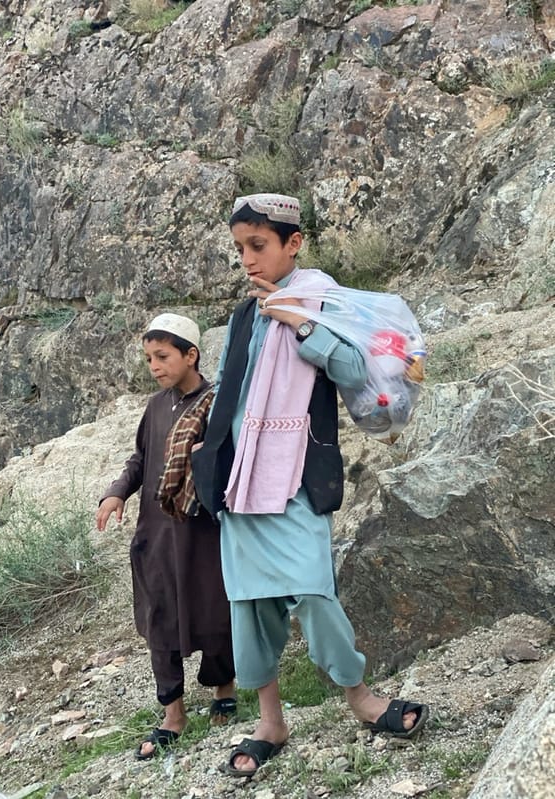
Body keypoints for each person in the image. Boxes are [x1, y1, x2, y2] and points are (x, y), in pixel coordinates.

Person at [191, 194, 429, 777]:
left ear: (293, 244)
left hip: (295, 477)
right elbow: (229, 388)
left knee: (315, 595)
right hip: (239, 479)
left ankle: (359, 698)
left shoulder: (322, 300)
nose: (248, 260)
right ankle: (270, 721)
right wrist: (204, 455)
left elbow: (353, 371)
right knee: (250, 606)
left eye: (259, 246)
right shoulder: (244, 313)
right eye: (241, 249)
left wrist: (300, 322)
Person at [96, 313, 236, 760]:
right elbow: (140, 459)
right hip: (155, 533)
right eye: (149, 358)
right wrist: (117, 492)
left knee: (213, 611)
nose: (154, 366)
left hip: (201, 531)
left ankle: (223, 689)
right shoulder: (156, 407)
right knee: (160, 617)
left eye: (163, 356)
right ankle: (173, 713)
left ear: (190, 355)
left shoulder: (218, 403)